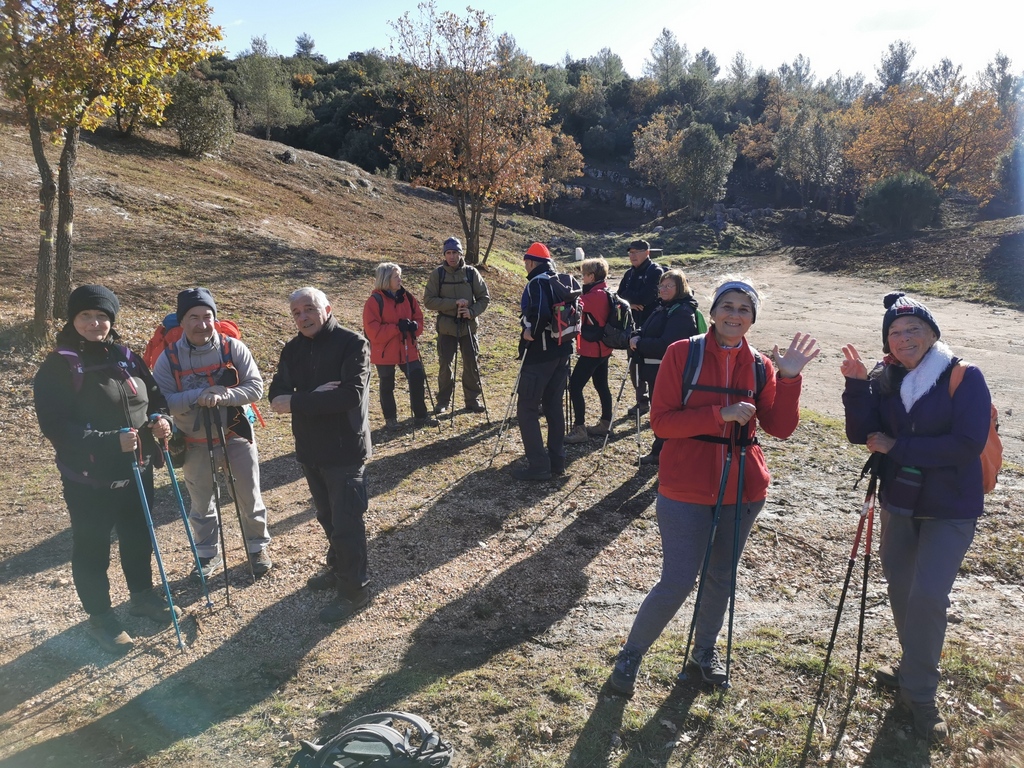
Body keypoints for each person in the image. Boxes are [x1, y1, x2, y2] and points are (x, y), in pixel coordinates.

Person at [608, 277, 819, 694]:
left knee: (721, 575)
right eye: (727, 305)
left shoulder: (759, 364)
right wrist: (719, 414)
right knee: (679, 579)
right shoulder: (682, 353)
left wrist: (789, 377)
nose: (734, 314)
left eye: (744, 308)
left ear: (753, 317)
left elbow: (781, 427)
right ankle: (631, 655)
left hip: (744, 488)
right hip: (684, 486)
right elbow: (662, 422)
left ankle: (703, 653)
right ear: (713, 310)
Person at [841, 292, 990, 743]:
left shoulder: (964, 377)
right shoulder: (885, 377)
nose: (904, 338)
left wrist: (897, 447)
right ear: (886, 340)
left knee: (927, 595)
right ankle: (912, 665)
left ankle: (920, 695)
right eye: (895, 332)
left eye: (914, 330)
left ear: (932, 334)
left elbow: (967, 444)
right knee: (903, 590)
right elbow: (858, 434)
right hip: (899, 500)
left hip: (950, 506)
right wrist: (854, 384)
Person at [33, 285, 180, 655]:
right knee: (92, 547)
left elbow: (155, 396)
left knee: (137, 536)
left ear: (111, 320)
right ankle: (100, 617)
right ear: (73, 319)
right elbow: (55, 426)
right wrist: (107, 440)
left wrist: (161, 420)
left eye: (102, 316)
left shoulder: (126, 356)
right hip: (90, 479)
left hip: (137, 467)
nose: (95, 322)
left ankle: (143, 596)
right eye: (86, 315)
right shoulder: (58, 366)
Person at [269, 287, 373, 625]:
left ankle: (355, 590)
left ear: (326, 309)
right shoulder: (293, 349)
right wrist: (312, 396)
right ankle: (339, 568)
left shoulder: (352, 343)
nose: (303, 317)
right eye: (296, 313)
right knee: (327, 517)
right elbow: (275, 396)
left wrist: (298, 401)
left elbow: (348, 397)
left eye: (309, 309)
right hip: (310, 448)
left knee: (347, 523)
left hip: (344, 449)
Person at [152, 288, 272, 580]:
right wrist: (200, 394)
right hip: (192, 442)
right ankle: (207, 555)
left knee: (249, 496)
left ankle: (257, 548)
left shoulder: (233, 348)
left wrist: (223, 395)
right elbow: (162, 401)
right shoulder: (168, 359)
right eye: (194, 317)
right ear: (183, 321)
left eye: (208, 316)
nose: (202, 324)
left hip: (236, 435)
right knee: (201, 502)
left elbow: (256, 388)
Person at [514, 242, 579, 481]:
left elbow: (540, 314)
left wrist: (529, 333)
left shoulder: (536, 282)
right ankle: (557, 461)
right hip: (562, 351)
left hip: (539, 355)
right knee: (553, 405)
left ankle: (538, 465)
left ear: (531, 262)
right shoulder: (562, 280)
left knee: (527, 409)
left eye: (526, 262)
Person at [629, 269, 703, 465]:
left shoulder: (682, 313)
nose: (663, 289)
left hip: (668, 373)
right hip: (657, 371)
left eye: (669, 286)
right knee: (661, 414)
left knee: (665, 415)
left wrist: (639, 344)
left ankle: (665, 454)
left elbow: (668, 345)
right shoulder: (663, 307)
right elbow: (646, 328)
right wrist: (636, 334)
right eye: (661, 285)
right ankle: (661, 452)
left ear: (680, 288)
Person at [362, 263, 437, 430]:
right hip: (385, 351)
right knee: (387, 384)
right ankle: (390, 420)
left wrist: (414, 327)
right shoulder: (374, 302)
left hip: (407, 347)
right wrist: (397, 328)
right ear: (386, 279)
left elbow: (419, 318)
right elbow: (373, 331)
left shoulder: (407, 297)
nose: (400, 279)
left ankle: (421, 416)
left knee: (417, 377)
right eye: (396, 276)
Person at [422, 236, 490, 415]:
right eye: (448, 253)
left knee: (471, 363)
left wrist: (472, 311)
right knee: (445, 365)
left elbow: (484, 298)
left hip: (468, 326)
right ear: (444, 255)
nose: (451, 257)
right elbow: (428, 301)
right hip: (446, 327)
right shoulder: (438, 274)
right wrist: (454, 303)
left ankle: (472, 399)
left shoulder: (471, 273)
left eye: (455, 253)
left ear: (461, 254)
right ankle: (443, 401)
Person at [565, 257, 613, 444]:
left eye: (584, 274)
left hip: (592, 349)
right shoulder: (606, 292)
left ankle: (580, 428)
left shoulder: (593, 297)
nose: (582, 278)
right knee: (602, 385)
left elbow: (572, 307)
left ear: (592, 276)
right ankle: (605, 423)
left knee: (575, 386)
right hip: (604, 348)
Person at [617, 239, 665, 417]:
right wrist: (631, 302)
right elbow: (620, 294)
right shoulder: (629, 274)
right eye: (630, 252)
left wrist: (633, 300)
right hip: (633, 325)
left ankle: (658, 405)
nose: (632, 255)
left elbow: (648, 296)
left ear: (647, 252)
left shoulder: (655, 271)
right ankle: (641, 402)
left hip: (652, 326)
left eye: (636, 252)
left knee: (653, 366)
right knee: (634, 364)